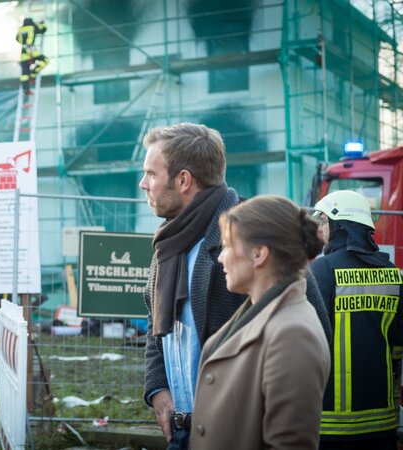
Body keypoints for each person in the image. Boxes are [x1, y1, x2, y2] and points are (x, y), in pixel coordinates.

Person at [138, 122, 331, 449]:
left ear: (183, 180)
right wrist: (158, 389)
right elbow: (156, 323)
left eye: (151, 174)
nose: (144, 184)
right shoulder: (169, 241)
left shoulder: (254, 235)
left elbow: (312, 331)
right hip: (183, 433)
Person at [190, 195, 331, 449]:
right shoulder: (259, 311)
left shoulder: (293, 334)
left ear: (259, 254)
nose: (221, 257)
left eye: (227, 245)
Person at [310, 190, 403, 450]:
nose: (321, 230)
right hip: (382, 423)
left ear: (340, 226)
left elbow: (306, 342)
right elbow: (397, 348)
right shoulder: (392, 273)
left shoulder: (323, 269)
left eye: (325, 222)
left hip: (330, 425)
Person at [16, 17, 48, 93]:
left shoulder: (20, 29)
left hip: (23, 53)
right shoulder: (32, 27)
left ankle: (26, 89)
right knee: (45, 60)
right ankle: (33, 74)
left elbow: (17, 39)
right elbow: (43, 30)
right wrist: (42, 24)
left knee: (24, 73)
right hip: (31, 51)